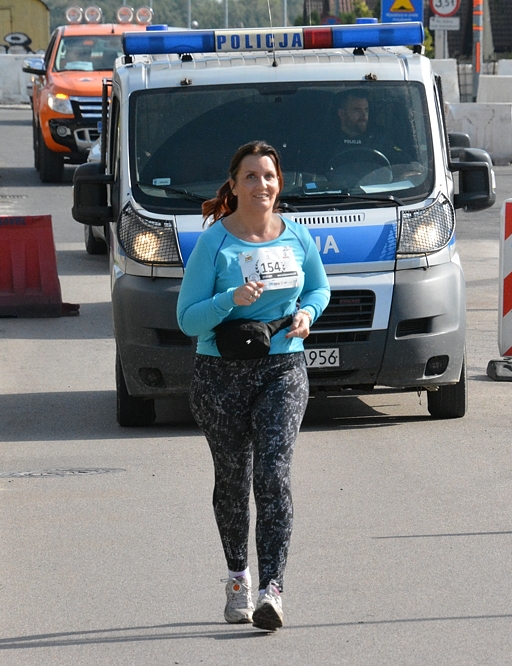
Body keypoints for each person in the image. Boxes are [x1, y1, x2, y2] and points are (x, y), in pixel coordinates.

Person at [177, 141, 330, 631]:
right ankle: (238, 579)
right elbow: (186, 319)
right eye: (251, 176)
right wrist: (230, 298)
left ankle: (272, 590)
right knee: (233, 480)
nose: (261, 185)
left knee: (273, 475)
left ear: (279, 183)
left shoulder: (298, 237)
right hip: (220, 374)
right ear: (235, 184)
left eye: (268, 176)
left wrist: (307, 313)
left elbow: (319, 287)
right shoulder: (214, 243)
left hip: (282, 368)